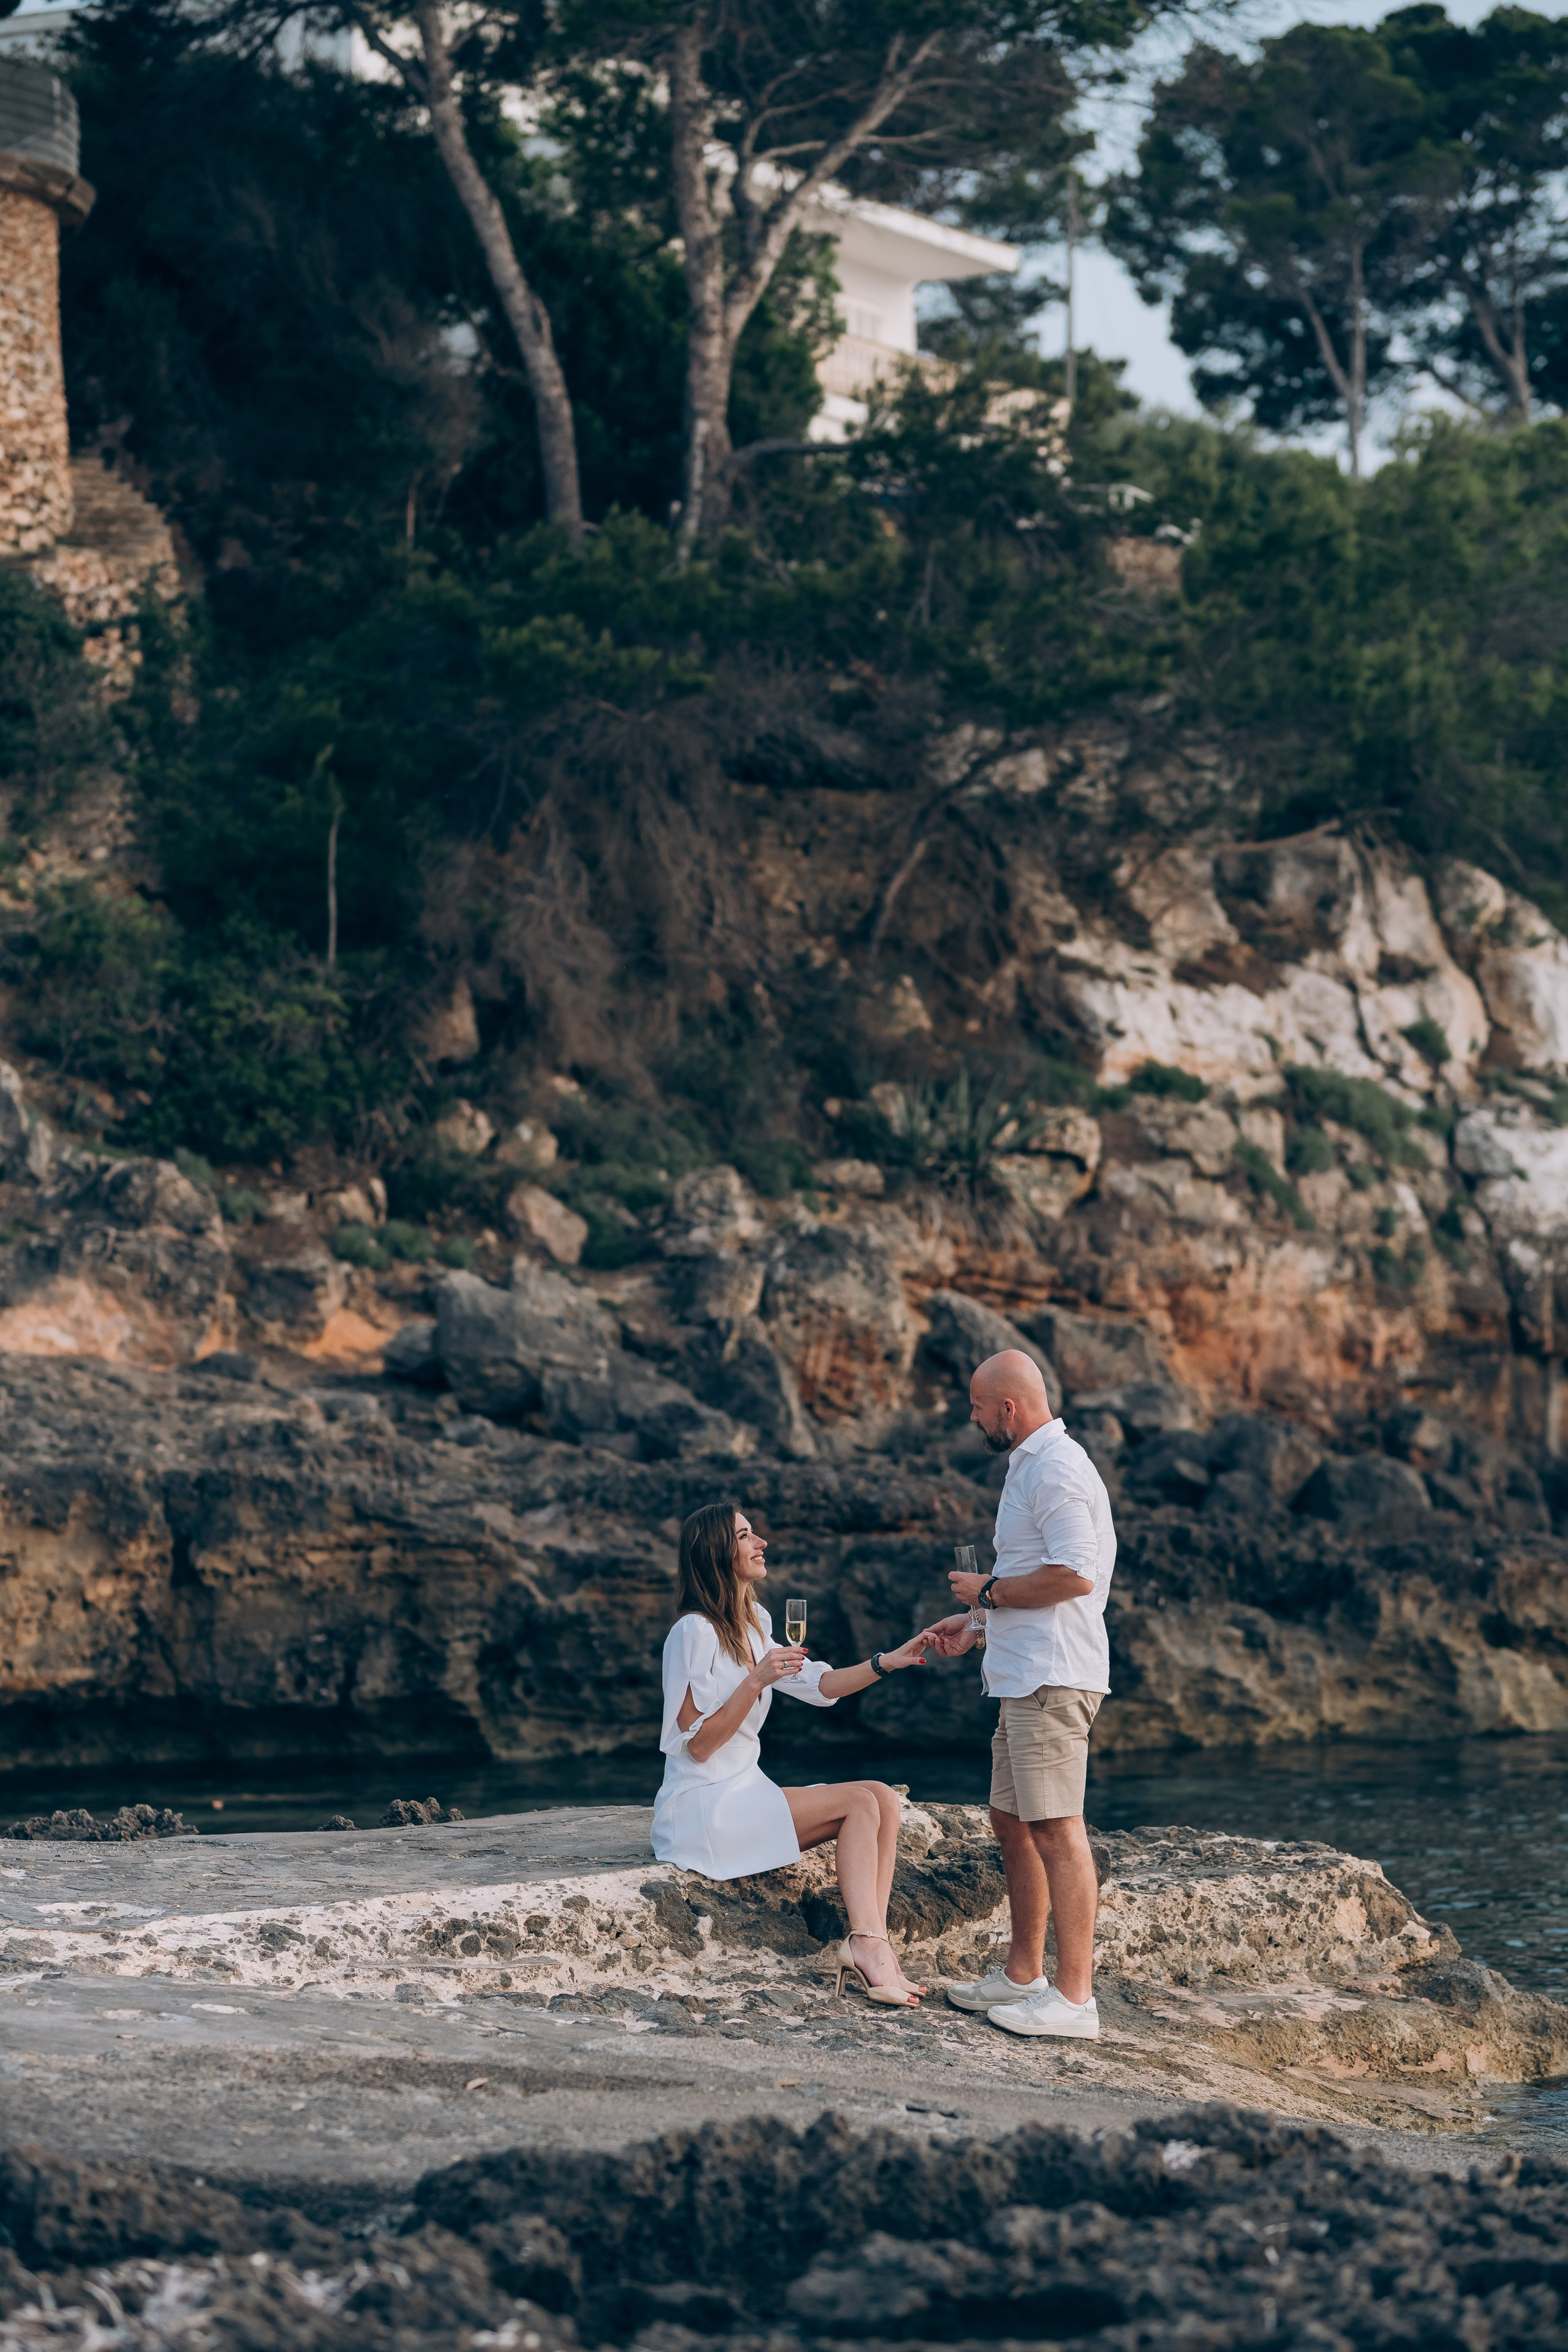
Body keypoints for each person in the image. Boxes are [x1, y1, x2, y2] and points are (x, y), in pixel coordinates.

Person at [652, 1499, 932, 2006]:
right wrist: (757, 1679)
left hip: (744, 1790)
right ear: (716, 1552)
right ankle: (866, 1946)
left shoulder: (755, 1621)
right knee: (859, 1804)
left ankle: (877, 1946)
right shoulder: (692, 1632)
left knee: (884, 1799)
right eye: (744, 1536)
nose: (761, 1543)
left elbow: (821, 1684)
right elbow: (697, 1746)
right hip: (702, 1807)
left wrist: (888, 1661)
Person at [924, 1348, 1116, 2040]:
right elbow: (1036, 1573)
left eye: (977, 1407)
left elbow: (1074, 1576)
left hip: (1052, 1676)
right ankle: (1023, 1974)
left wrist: (989, 1593)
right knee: (1012, 1822)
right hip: (1021, 1674)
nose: (972, 1417)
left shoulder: (1057, 1468)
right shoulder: (1030, 1465)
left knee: (1057, 1828)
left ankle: (1073, 2001)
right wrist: (976, 1623)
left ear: (1009, 1407)